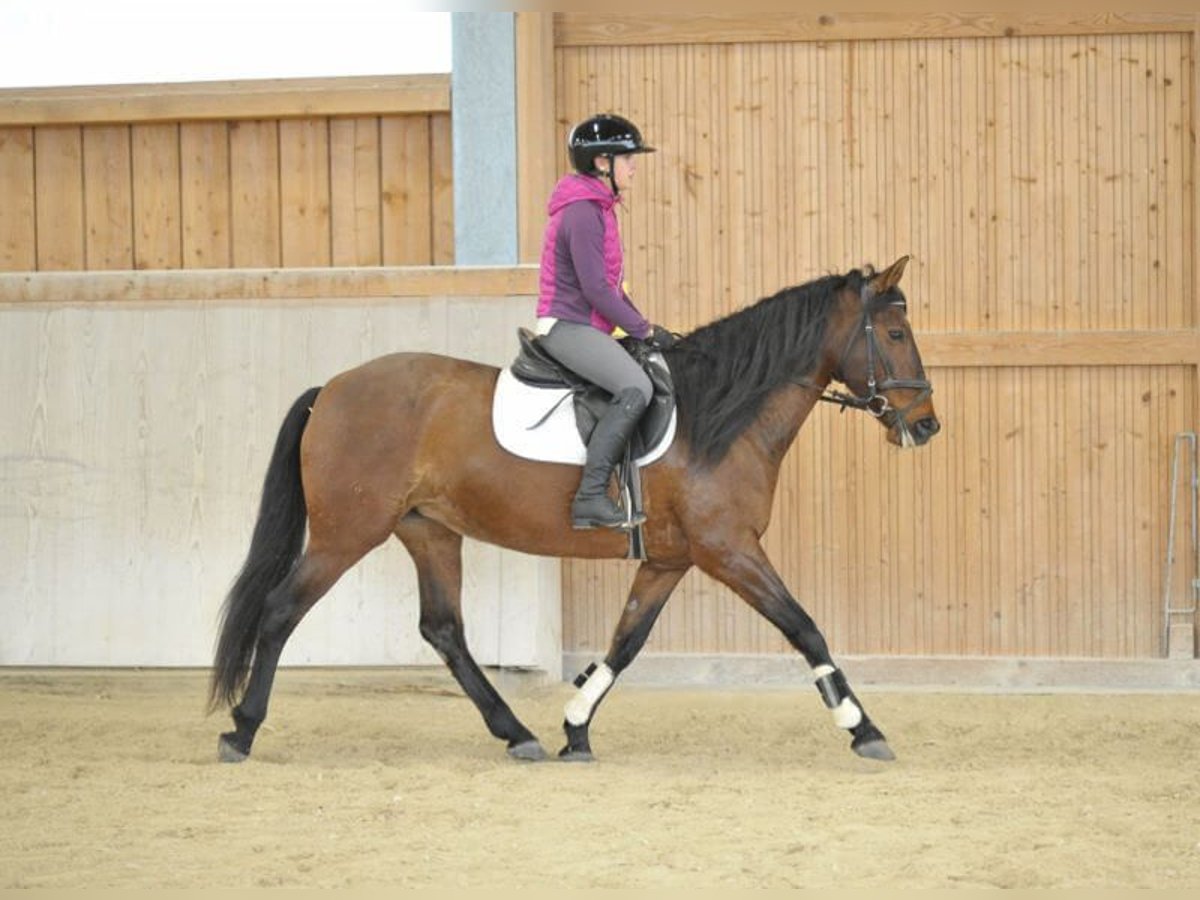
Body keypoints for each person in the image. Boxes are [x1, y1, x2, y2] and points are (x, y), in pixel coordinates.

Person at [536, 113, 677, 530]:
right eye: (627, 158)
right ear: (602, 163)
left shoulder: (599, 208)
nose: (634, 166)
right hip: (567, 325)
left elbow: (613, 286)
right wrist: (642, 329)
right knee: (635, 386)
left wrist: (646, 328)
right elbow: (595, 290)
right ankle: (591, 495)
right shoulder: (582, 211)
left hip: (589, 324)